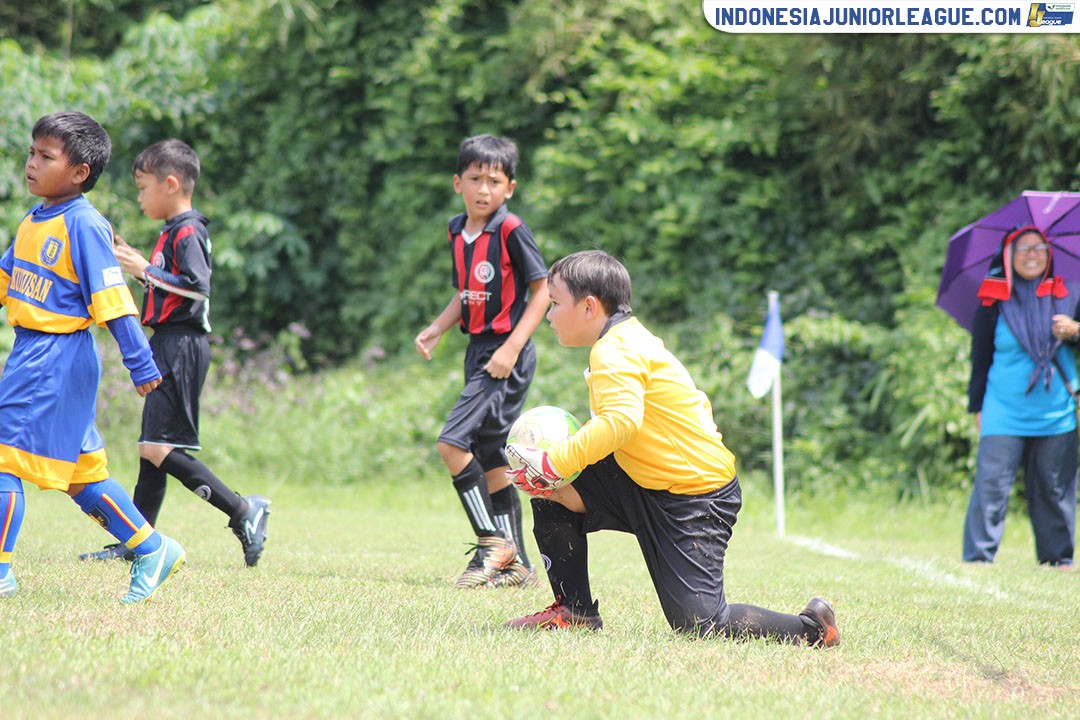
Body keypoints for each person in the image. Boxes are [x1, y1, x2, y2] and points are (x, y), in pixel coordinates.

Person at [504, 249, 840, 645]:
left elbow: (620, 422)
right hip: (643, 478)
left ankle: (814, 629)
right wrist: (552, 471)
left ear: (589, 306)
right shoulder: (623, 338)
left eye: (556, 304)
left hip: (695, 498)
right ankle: (574, 610)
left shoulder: (615, 350)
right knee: (550, 490)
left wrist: (554, 460)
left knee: (701, 624)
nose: (549, 315)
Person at [0, 111, 185, 602]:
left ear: (80, 172)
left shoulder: (83, 224)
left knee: (2, 458)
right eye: (32, 153)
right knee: (84, 476)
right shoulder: (33, 220)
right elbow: (6, 277)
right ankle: (152, 548)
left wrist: (140, 361)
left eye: (46, 156)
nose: (32, 164)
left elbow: (112, 298)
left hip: (56, 358)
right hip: (34, 355)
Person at [80, 139, 271, 567]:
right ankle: (135, 542)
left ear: (170, 184)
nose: (140, 196)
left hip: (182, 345)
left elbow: (197, 287)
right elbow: (171, 286)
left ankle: (243, 510)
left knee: (158, 449)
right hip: (166, 341)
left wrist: (143, 269)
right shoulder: (172, 231)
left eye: (143, 187)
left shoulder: (188, 230)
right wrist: (139, 266)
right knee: (152, 449)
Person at [415, 134, 549, 588]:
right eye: (475, 179)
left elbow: (544, 289)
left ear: (509, 188)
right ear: (458, 182)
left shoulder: (511, 230)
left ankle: (493, 543)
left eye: (495, 180)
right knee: (493, 456)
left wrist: (511, 348)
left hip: (504, 354)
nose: (484, 189)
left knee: (452, 444)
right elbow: (465, 291)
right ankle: (520, 570)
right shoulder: (458, 230)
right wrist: (438, 326)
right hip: (477, 351)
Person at [964, 225, 1078, 569]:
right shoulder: (992, 302)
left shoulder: (1069, 295)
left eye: (1039, 248)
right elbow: (980, 359)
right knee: (992, 486)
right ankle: (978, 557)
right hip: (1003, 408)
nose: (1032, 255)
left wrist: (1074, 331)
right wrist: (977, 406)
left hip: (1056, 411)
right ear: (1008, 256)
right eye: (1024, 249)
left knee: (1054, 489)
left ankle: (1058, 557)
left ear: (1049, 255)